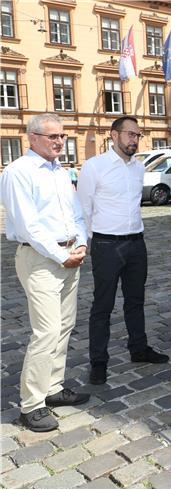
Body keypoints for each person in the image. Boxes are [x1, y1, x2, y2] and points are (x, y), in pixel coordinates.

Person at [0, 113, 90, 432]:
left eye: (62, 136)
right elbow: (29, 225)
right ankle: (31, 404)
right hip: (40, 258)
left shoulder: (60, 172)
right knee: (47, 330)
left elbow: (76, 214)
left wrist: (80, 244)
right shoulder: (17, 172)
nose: (59, 142)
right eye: (52, 136)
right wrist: (61, 255)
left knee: (65, 325)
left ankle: (52, 387)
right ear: (32, 137)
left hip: (68, 255)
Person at [77, 116, 169, 385]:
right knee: (102, 305)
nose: (134, 140)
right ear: (114, 135)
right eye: (130, 134)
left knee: (136, 300)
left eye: (137, 135)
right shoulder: (95, 166)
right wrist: (90, 240)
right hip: (106, 244)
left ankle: (138, 348)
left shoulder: (138, 168)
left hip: (136, 243)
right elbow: (83, 208)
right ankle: (98, 361)